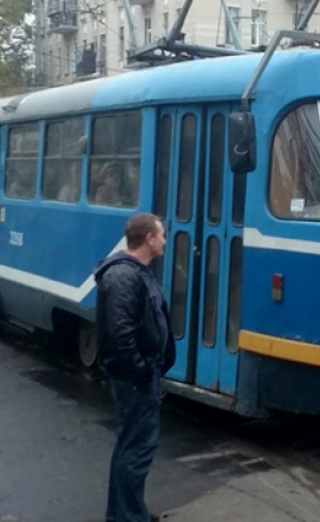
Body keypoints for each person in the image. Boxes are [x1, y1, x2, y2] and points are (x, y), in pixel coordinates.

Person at [95, 213, 176, 522]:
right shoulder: (124, 277)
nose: (166, 240)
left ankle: (126, 512)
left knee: (130, 444)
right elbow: (121, 333)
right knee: (137, 448)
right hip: (134, 378)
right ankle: (128, 517)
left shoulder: (136, 272)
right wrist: (141, 371)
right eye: (162, 235)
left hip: (140, 373)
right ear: (149, 239)